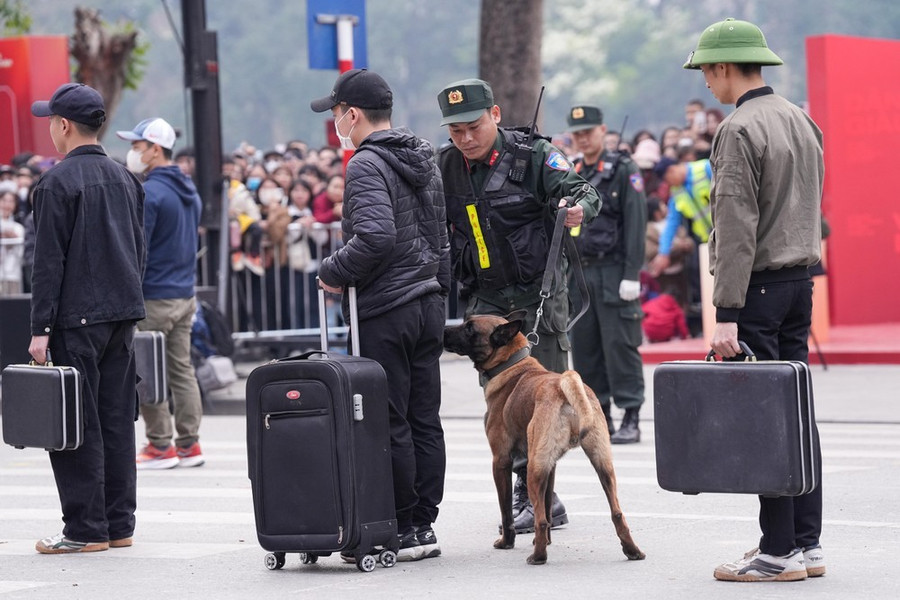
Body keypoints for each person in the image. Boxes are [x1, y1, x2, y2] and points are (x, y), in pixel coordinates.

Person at [684, 17, 826, 582]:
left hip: (759, 289)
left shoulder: (738, 128)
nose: (706, 84)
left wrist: (727, 314)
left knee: (767, 420)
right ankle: (807, 544)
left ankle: (776, 551)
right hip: (800, 281)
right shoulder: (800, 118)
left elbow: (736, 223)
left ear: (723, 67)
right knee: (796, 413)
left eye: (706, 72)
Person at [436, 79, 602, 533]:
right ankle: (531, 493)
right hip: (487, 298)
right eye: (455, 132)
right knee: (504, 407)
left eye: (473, 127)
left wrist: (577, 211)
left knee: (546, 402)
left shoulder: (533, 157)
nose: (465, 139)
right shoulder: (445, 166)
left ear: (494, 114)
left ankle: (542, 495)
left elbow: (583, 190)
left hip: (538, 294)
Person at [311, 68, 450, 562]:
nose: (335, 124)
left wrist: (332, 270)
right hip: (428, 302)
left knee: (388, 418)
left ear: (352, 114)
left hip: (387, 306)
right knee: (424, 417)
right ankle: (424, 523)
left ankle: (403, 524)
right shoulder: (424, 157)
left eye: (335, 114)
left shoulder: (365, 164)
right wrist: (440, 291)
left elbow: (374, 237)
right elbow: (441, 238)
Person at [28, 83, 146, 553]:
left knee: (75, 424)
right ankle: (119, 525)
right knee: (117, 421)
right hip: (123, 315)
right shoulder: (127, 179)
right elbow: (140, 251)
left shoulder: (55, 183)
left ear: (62, 125)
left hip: (76, 317)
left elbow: (47, 262)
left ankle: (83, 529)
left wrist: (40, 328)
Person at [116, 117, 205, 470]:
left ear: (155, 149)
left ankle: (159, 444)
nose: (133, 152)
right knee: (181, 369)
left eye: (138, 146)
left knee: (146, 370)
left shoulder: (150, 192)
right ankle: (189, 443)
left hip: (153, 295)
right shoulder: (188, 189)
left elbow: (139, 249)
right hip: (184, 293)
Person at [565, 105, 648, 443]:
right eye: (577, 133)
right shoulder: (571, 173)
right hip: (581, 273)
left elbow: (635, 224)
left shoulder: (623, 170)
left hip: (614, 270)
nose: (583, 139)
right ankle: (600, 416)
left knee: (620, 344)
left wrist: (632, 273)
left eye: (589, 131)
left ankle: (631, 415)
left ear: (602, 130)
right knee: (585, 346)